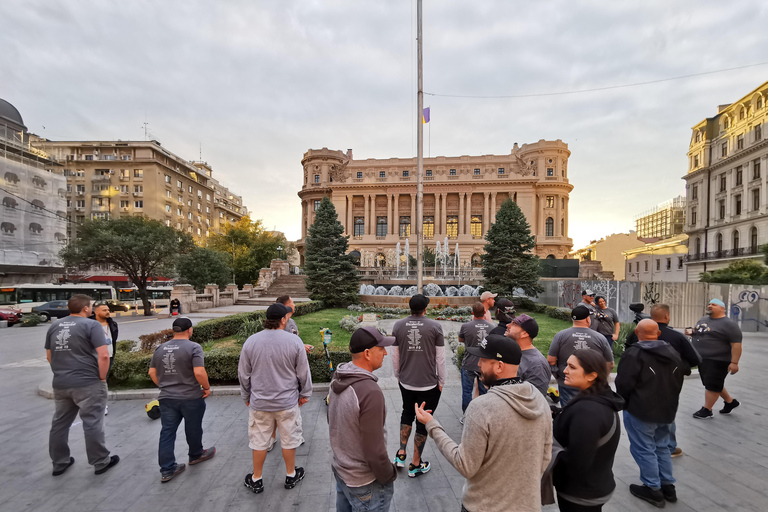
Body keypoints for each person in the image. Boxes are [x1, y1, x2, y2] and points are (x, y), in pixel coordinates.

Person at [415, 334, 551, 512]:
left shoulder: (482, 407)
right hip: (527, 505)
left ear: (499, 366)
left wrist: (432, 425)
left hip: (484, 506)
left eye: (484, 360)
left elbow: (465, 465)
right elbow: (546, 456)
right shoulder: (539, 400)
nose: (478, 363)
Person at [239, 303, 313, 494]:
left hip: (260, 402)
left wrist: (246, 395)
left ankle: (256, 478)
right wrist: (305, 394)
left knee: (259, 441)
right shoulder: (294, 341)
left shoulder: (251, 341)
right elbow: (303, 372)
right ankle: (290, 475)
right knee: (289, 440)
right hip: (287, 401)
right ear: (283, 319)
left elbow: (244, 374)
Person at [45, 294, 119, 476]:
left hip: (61, 383)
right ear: (86, 308)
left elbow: (49, 356)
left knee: (60, 423)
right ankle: (100, 461)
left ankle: (59, 462)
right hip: (88, 383)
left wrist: (62, 372)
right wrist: (102, 377)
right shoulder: (91, 325)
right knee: (92, 421)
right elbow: (103, 355)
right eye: (91, 306)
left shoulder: (54, 325)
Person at [616, 319, 684, 507]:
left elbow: (623, 384)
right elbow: (679, 379)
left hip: (641, 410)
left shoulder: (634, 354)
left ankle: (652, 488)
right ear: (658, 333)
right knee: (662, 447)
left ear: (636, 332)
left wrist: (623, 402)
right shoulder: (673, 352)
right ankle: (668, 486)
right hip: (667, 410)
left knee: (644, 448)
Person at [328, 327, 398, 512]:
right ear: (367, 353)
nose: (385, 352)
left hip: (343, 473)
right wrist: (389, 474)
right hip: (366, 483)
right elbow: (375, 450)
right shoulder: (369, 392)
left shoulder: (339, 378)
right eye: (381, 348)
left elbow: (335, 423)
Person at [552, 349, 624, 512]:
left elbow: (577, 462)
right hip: (596, 484)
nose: (564, 370)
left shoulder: (588, 412)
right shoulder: (599, 397)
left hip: (581, 494)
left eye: (572, 367)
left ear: (591, 375)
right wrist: (558, 414)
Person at [148, 317, 216, 482]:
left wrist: (164, 386)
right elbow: (199, 372)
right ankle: (196, 454)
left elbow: (152, 372)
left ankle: (167, 469)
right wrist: (206, 388)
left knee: (167, 432)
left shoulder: (160, 348)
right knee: (193, 428)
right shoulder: (194, 347)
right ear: (190, 330)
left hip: (167, 397)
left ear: (174, 330)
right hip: (190, 396)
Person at [390, 294, 445, 477]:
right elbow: (441, 359)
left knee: (407, 412)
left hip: (406, 381)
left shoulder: (398, 326)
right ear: (425, 309)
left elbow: (395, 355)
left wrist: (398, 375)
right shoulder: (435, 327)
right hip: (429, 384)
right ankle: (415, 464)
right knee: (424, 420)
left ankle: (401, 454)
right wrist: (442, 381)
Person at [650, 303, 701, 458]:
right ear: (667, 316)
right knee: (668, 409)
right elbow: (695, 359)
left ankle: (650, 443)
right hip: (670, 380)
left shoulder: (640, 333)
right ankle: (669, 446)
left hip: (645, 380)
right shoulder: (677, 336)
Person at [547, 305, 614, 407]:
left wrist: (558, 377)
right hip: (591, 384)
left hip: (567, 383)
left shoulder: (560, 336)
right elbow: (610, 363)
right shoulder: (600, 338)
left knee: (568, 412)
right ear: (587, 319)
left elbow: (551, 360)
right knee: (591, 411)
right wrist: (601, 379)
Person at [691, 298, 742, 419]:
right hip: (702, 357)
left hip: (718, 359)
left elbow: (736, 345)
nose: (710, 306)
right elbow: (700, 332)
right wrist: (691, 333)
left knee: (712, 384)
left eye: (714, 304)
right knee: (713, 383)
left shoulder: (729, 324)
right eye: (709, 304)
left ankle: (707, 410)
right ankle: (730, 402)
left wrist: (734, 362)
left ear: (722, 308)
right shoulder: (703, 319)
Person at [458, 302, 494, 415]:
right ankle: (482, 415)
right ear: (484, 312)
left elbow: (460, 339)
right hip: (484, 365)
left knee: (467, 392)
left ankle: (467, 415)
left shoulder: (465, 326)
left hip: (469, 363)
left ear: (472, 313)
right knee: (484, 392)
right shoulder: (492, 327)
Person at [505, 314, 551, 396]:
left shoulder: (537, 365)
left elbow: (536, 401)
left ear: (524, 334)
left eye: (514, 324)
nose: (508, 325)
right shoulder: (512, 352)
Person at [91, 301, 118, 415]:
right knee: (93, 382)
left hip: (109, 356)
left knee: (103, 381)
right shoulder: (89, 324)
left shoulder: (112, 324)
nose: (108, 312)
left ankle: (102, 405)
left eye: (108, 310)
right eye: (104, 310)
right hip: (93, 357)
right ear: (96, 312)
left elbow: (114, 338)